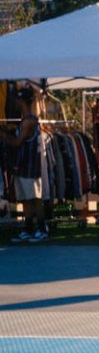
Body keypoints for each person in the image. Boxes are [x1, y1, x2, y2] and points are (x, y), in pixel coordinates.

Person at [0, 87, 47, 242]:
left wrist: (3, 135)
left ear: (21, 101)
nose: (15, 102)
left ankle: (42, 230)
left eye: (17, 100)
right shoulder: (27, 120)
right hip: (22, 167)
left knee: (35, 199)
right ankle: (28, 229)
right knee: (26, 200)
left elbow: (17, 142)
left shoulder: (28, 122)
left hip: (30, 167)